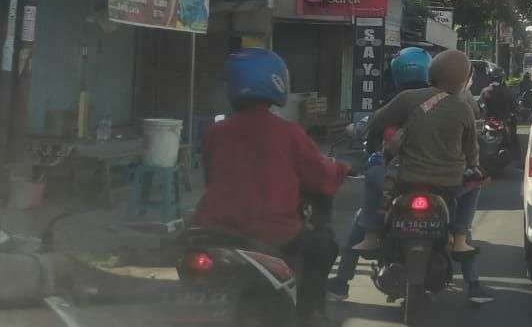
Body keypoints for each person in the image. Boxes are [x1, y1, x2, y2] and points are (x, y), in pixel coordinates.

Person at [194, 48, 350, 325]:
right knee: (323, 245)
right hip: (273, 234)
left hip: (213, 230)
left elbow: (210, 177)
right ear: (277, 83)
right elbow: (319, 178)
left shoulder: (214, 133)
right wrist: (343, 169)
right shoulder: (289, 133)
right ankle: (310, 312)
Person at [352, 49, 493, 303]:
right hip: (449, 186)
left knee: (374, 185)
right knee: (476, 184)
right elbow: (472, 153)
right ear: (463, 80)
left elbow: (375, 122)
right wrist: (473, 168)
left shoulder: (407, 99)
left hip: (406, 179)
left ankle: (368, 239)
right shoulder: (464, 108)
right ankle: (460, 238)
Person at [328, 47, 431, 302]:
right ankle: (470, 273)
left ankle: (342, 282)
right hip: (435, 178)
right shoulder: (445, 100)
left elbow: (370, 129)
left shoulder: (394, 103)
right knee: (457, 222)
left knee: (361, 219)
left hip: (393, 180)